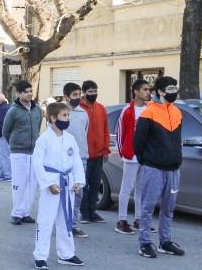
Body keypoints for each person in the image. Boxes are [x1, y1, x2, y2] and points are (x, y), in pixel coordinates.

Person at [133, 76, 186, 259]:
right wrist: (146, 160)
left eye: (175, 87)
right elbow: (138, 142)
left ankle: (165, 241)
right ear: (161, 92)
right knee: (147, 207)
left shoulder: (177, 112)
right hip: (154, 167)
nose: (174, 91)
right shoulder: (149, 112)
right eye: (170, 88)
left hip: (173, 168)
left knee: (169, 208)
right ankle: (145, 242)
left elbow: (177, 141)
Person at [31, 101, 85, 269]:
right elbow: (37, 164)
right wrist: (48, 184)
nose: (67, 118)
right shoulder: (44, 139)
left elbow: (76, 161)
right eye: (64, 115)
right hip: (52, 182)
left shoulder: (70, 138)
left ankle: (66, 254)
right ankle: (40, 255)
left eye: (68, 115)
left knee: (66, 219)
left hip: (68, 182)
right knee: (46, 220)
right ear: (53, 118)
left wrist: (78, 181)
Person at [2, 80, 43, 226]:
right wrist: (15, 143)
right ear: (18, 94)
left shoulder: (36, 109)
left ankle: (26, 212)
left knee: (32, 183)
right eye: (26, 92)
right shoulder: (13, 111)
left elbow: (38, 127)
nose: (30, 94)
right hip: (18, 152)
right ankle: (17, 213)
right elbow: (6, 131)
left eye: (31, 91)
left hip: (33, 152)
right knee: (20, 183)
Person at [116, 79, 151, 235]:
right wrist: (123, 152)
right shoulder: (127, 111)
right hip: (131, 155)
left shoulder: (149, 110)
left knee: (141, 190)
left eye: (148, 89)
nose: (148, 92)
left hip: (145, 156)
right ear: (136, 92)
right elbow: (120, 132)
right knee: (126, 188)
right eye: (145, 89)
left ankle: (139, 220)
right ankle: (121, 220)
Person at [78, 80, 110, 226]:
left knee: (96, 185)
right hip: (84, 155)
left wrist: (105, 150)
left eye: (95, 91)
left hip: (98, 155)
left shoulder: (101, 108)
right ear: (84, 93)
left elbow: (105, 131)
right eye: (90, 92)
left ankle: (92, 211)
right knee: (83, 186)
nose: (93, 94)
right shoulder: (78, 109)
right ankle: (84, 212)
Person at [62, 82, 89, 238]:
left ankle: (73, 224)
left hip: (81, 159)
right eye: (74, 95)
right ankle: (62, 222)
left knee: (78, 192)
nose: (78, 98)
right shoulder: (61, 112)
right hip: (64, 160)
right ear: (66, 97)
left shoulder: (83, 114)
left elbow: (84, 133)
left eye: (79, 95)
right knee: (63, 192)